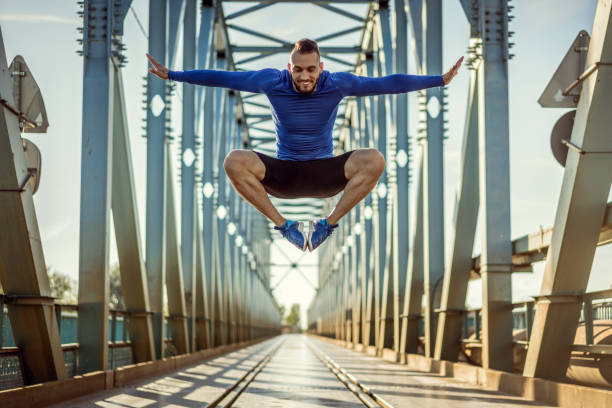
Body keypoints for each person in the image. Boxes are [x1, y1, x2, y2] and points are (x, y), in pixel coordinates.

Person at [147, 38, 462, 252]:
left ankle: (326, 226)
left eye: (311, 69)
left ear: (321, 67)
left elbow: (386, 84)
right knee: (234, 160)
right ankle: (287, 228)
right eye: (297, 69)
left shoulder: (337, 84)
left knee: (375, 159)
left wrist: (438, 80)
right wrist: (174, 74)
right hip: (283, 175)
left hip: (325, 175)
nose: (304, 76)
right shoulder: (272, 81)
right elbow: (224, 77)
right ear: (289, 68)